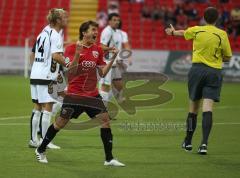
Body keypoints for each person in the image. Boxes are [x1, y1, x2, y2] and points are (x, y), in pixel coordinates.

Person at [35, 20, 125, 167]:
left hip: (92, 95)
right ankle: (41, 149)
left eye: (96, 30)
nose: (96, 33)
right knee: (60, 124)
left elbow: (102, 73)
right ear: (84, 33)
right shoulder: (71, 48)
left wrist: (113, 59)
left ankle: (109, 159)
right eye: (93, 30)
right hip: (74, 95)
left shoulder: (98, 50)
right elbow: (72, 72)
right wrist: (77, 54)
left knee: (105, 121)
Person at [165, 7, 232, 154]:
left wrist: (173, 32)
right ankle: (204, 144)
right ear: (217, 18)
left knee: (193, 109)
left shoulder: (197, 30)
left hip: (197, 71)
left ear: (204, 17)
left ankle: (188, 142)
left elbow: (183, 32)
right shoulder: (222, 34)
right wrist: (216, 57)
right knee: (208, 108)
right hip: (214, 72)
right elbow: (228, 57)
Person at [29, 8, 69, 149]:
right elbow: (56, 56)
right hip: (46, 76)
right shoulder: (55, 35)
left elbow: (32, 53)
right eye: (64, 17)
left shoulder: (42, 33)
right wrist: (68, 63)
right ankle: (46, 141)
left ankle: (34, 140)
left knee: (37, 107)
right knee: (48, 107)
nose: (67, 19)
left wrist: (36, 68)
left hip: (35, 74)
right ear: (57, 20)